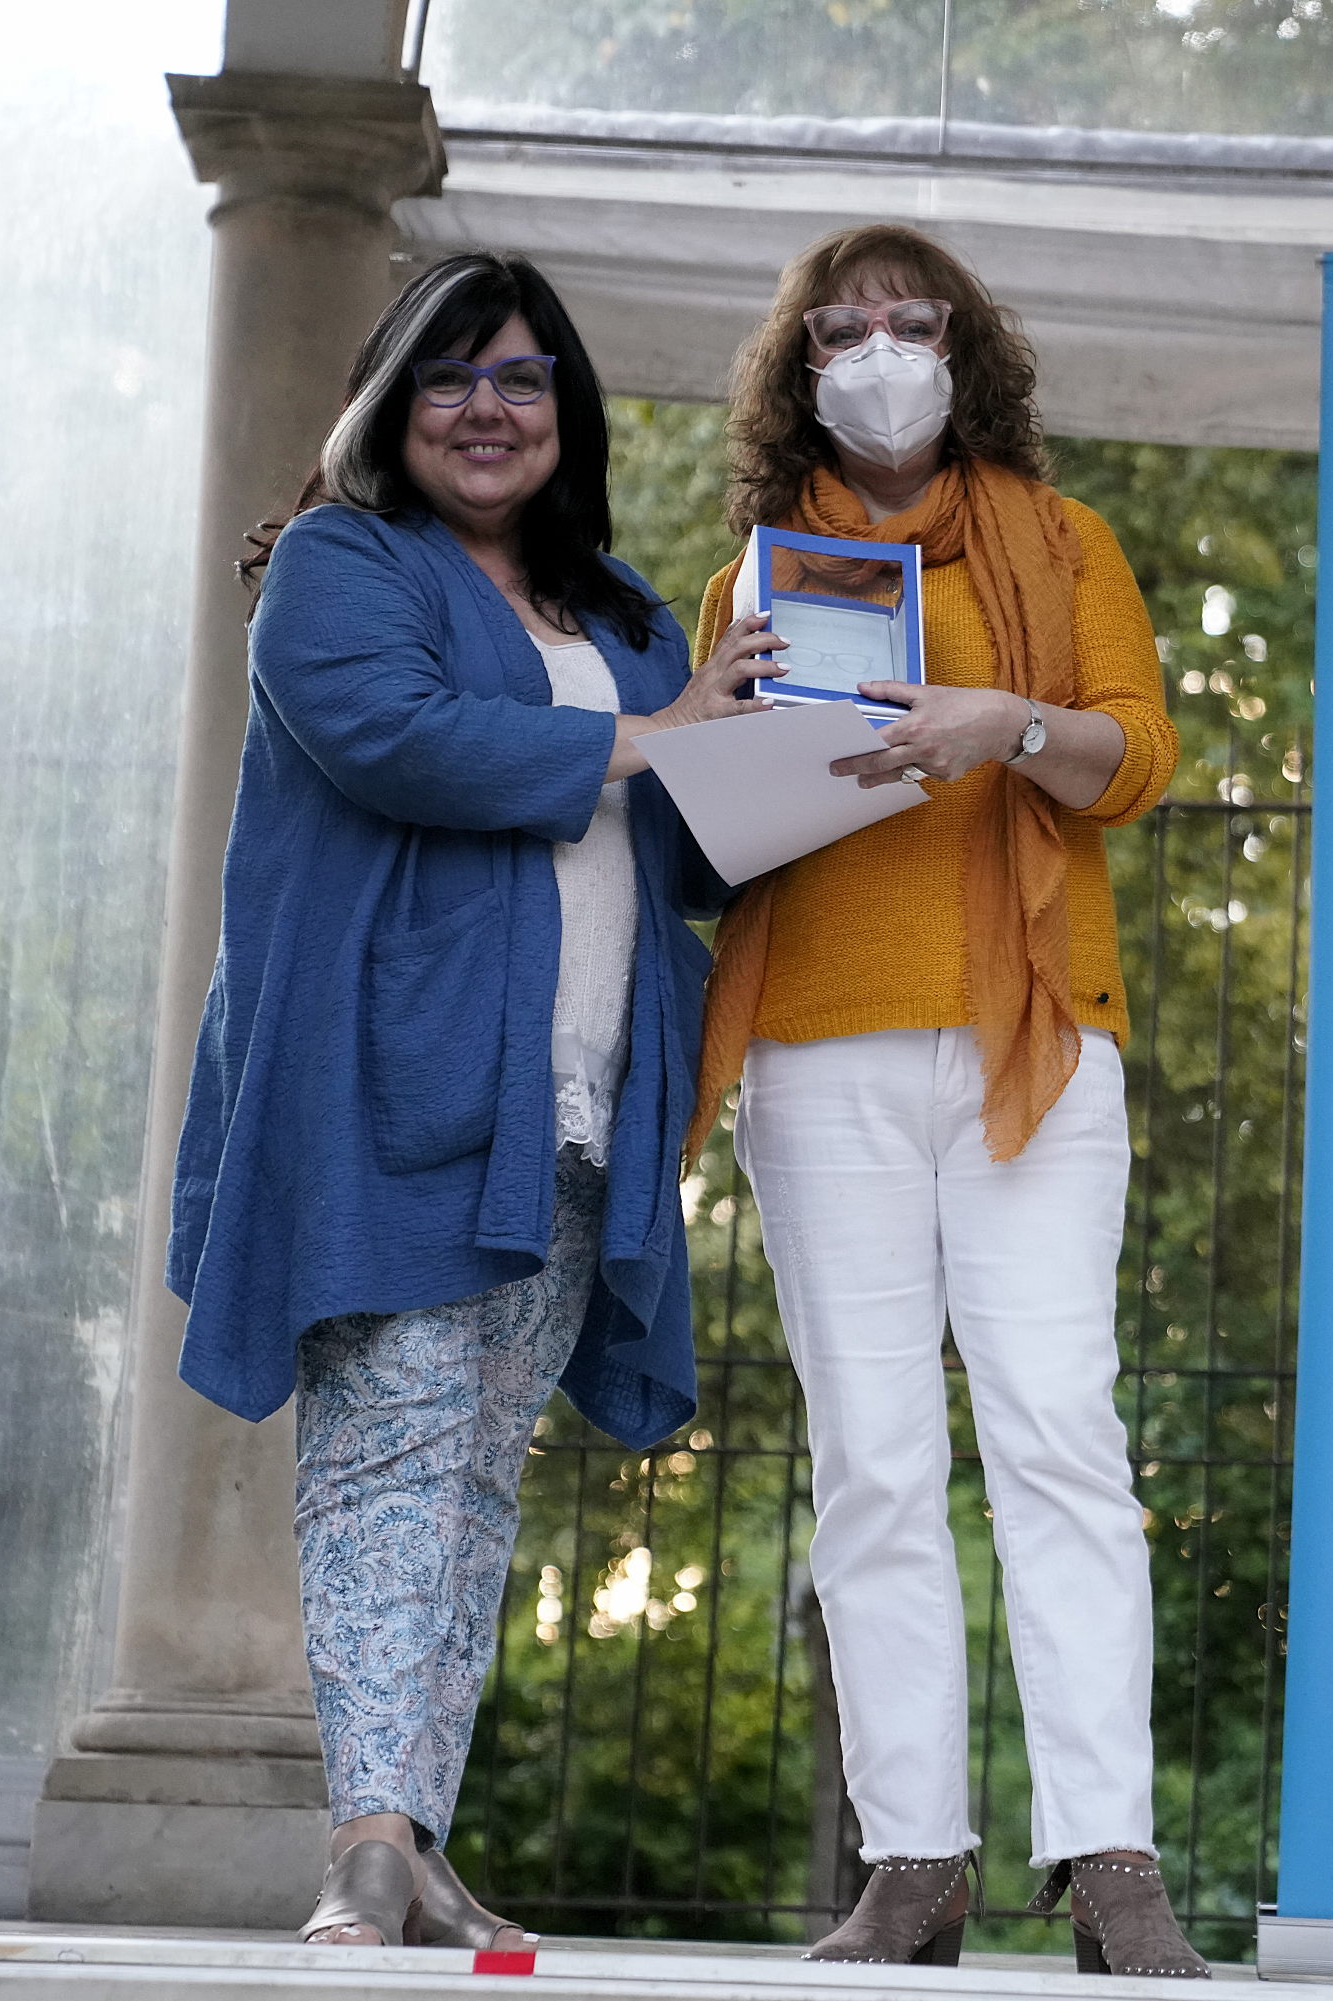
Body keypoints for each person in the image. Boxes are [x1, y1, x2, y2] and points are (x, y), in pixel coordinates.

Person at [167, 250, 784, 1951]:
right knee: (390, 1449)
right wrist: (661, 739)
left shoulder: (629, 615)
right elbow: (399, 737)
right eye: (449, 374)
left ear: (566, 415)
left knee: (476, 1471)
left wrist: (808, 748)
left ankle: (412, 1831)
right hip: (390, 1075)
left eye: (521, 378)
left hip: (577, 1101)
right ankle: (364, 1840)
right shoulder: (335, 567)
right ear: (387, 400)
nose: (487, 407)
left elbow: (687, 846)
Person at [689, 223, 1206, 1978]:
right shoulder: (755, 566)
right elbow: (707, 807)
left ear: (967, 351)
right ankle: (914, 1860)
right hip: (816, 1037)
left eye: (914, 324)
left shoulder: (1064, 546)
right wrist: (730, 724)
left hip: (1032, 1039)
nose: (881, 351)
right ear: (800, 369)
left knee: (1059, 1430)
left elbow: (1135, 758)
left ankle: (1111, 1855)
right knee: (874, 1463)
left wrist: (1005, 721)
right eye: (843, 329)